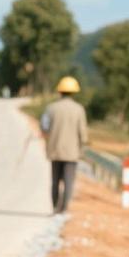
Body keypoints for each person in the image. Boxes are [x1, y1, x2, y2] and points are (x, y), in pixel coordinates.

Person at [41, 76, 88, 214]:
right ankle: (64, 209)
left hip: (55, 151)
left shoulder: (51, 108)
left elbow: (44, 127)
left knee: (55, 181)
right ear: (74, 92)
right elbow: (83, 133)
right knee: (68, 182)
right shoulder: (79, 109)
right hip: (72, 153)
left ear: (60, 91)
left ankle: (55, 207)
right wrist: (82, 147)